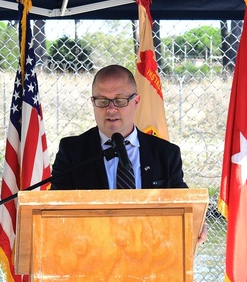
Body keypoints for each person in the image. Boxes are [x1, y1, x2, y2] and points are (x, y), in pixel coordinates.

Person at [50, 64, 187, 190]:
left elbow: (184, 206)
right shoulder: (72, 152)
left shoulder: (166, 153)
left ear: (136, 101)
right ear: (93, 102)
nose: (111, 109)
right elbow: (56, 207)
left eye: (120, 101)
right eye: (102, 101)